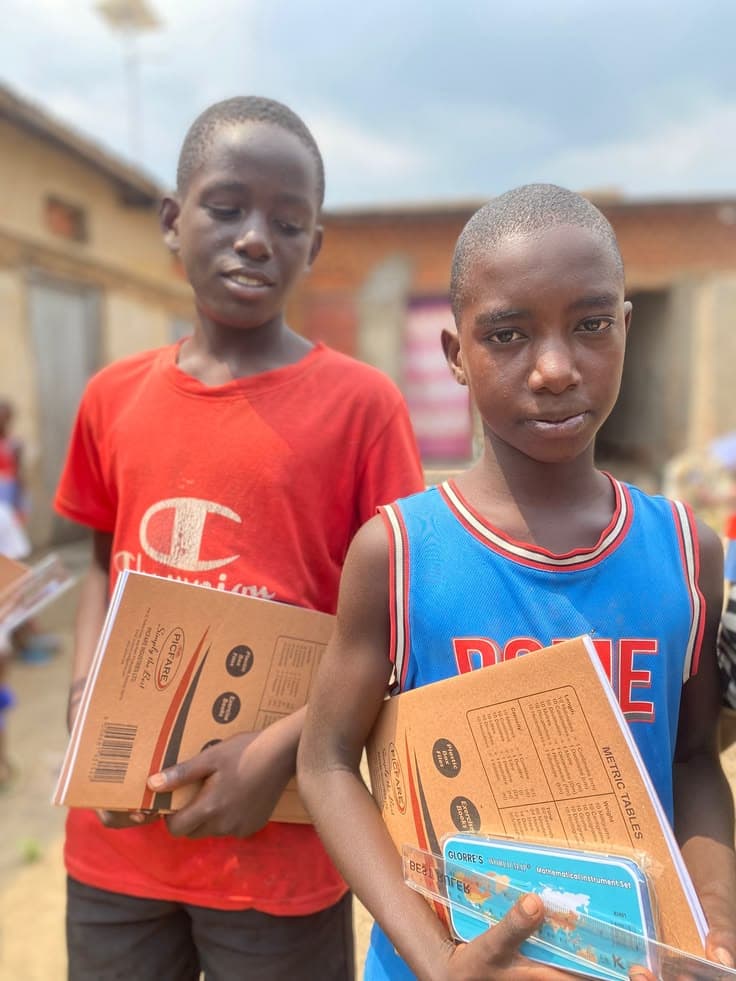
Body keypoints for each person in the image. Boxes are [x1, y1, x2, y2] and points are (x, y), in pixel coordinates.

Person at [298, 184, 736, 980]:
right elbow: (326, 760)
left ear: (627, 330)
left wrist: (715, 933)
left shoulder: (684, 552)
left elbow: (694, 758)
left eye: (591, 325)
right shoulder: (399, 554)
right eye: (508, 334)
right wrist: (438, 960)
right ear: (456, 353)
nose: (557, 367)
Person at [54, 96, 424, 981]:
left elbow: (400, 626)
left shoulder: (363, 407)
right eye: (226, 208)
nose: (256, 237)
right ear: (174, 223)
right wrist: (81, 693)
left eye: (287, 221)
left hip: (281, 842)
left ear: (314, 247)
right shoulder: (112, 397)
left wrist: (278, 753)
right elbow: (103, 565)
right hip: (119, 844)